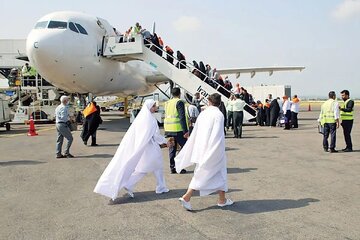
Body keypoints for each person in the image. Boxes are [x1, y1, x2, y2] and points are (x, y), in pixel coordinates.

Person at [94, 99, 170, 201]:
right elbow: (155, 136)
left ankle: (160, 186)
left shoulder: (140, 119)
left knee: (150, 167)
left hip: (142, 148)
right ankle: (137, 184)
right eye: (154, 106)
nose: (156, 108)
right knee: (148, 168)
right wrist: (166, 141)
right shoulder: (151, 120)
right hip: (150, 147)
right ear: (149, 107)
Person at [175, 93, 233, 211]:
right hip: (214, 150)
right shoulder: (218, 115)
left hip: (201, 149)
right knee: (205, 174)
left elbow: (196, 132)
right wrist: (214, 151)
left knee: (215, 173)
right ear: (219, 103)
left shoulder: (203, 114)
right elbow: (217, 135)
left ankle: (222, 200)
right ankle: (187, 197)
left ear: (209, 102)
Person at [164, 87, 189, 174]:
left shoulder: (167, 103)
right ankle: (179, 166)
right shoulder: (179, 102)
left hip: (168, 129)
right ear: (179, 94)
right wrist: (185, 131)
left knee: (172, 148)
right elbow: (182, 117)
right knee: (185, 148)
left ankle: (172, 168)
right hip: (177, 129)